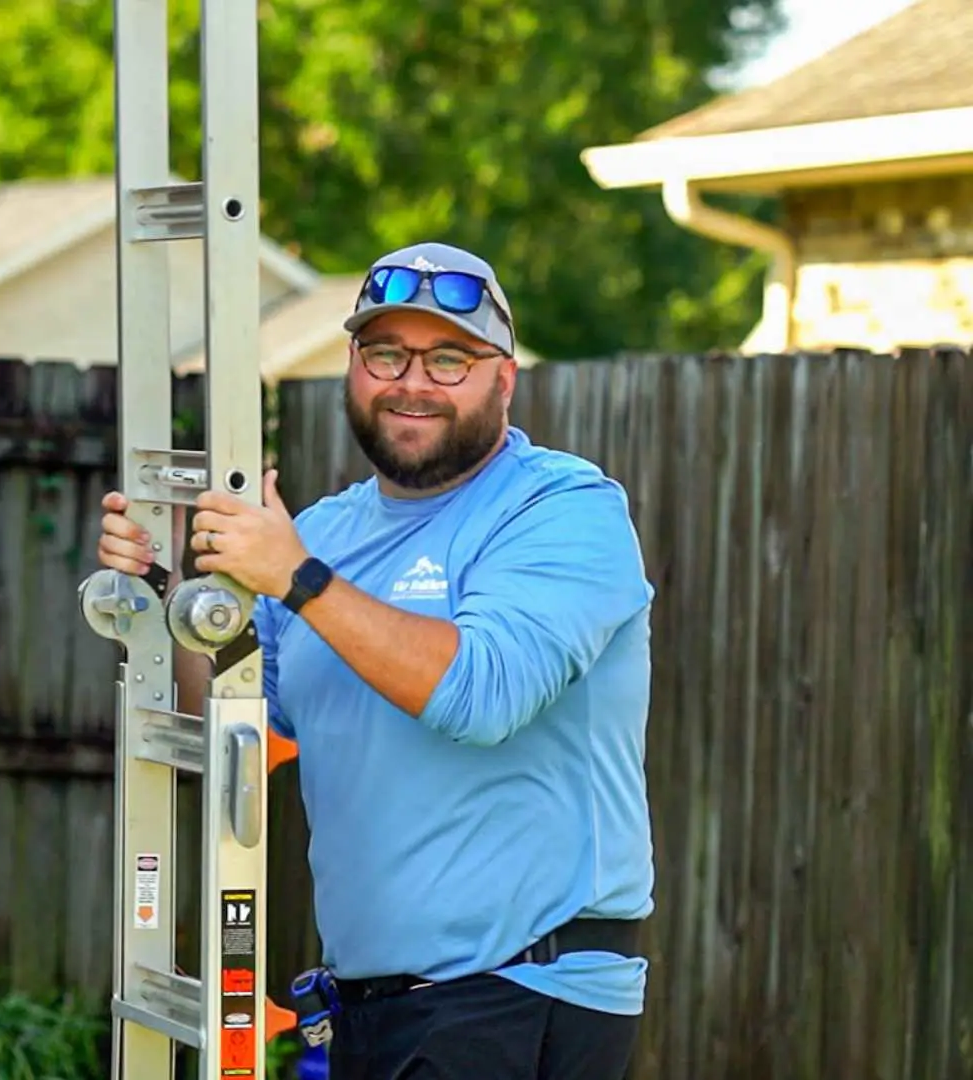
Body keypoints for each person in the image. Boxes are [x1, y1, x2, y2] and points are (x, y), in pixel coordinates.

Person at [95, 242, 656, 1080]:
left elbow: (481, 694)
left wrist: (293, 576)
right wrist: (173, 598)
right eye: (386, 353)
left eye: (450, 359)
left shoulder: (563, 509)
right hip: (369, 1009)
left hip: (521, 993)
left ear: (504, 378)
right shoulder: (327, 531)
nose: (412, 381)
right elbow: (244, 712)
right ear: (354, 369)